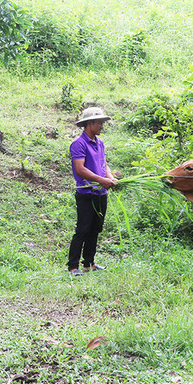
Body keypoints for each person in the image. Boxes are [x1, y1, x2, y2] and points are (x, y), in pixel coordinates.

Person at [68, 106, 116, 277]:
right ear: (90, 123)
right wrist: (101, 180)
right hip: (86, 194)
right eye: (100, 123)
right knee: (83, 229)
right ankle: (73, 266)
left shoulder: (100, 143)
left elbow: (104, 164)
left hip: (100, 194)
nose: (102, 126)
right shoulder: (78, 144)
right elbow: (80, 169)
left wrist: (109, 177)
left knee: (96, 229)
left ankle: (89, 263)